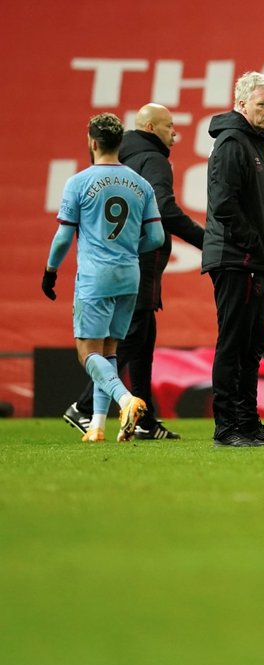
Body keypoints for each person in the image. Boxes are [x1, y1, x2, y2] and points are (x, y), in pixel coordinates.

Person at [63, 104, 205, 440]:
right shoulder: (154, 160)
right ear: (153, 128)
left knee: (142, 337)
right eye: (170, 127)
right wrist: (207, 241)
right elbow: (164, 210)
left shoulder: (116, 156)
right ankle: (84, 408)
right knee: (127, 335)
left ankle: (144, 419)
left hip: (103, 260)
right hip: (137, 260)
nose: (175, 134)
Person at [43, 113, 164, 442]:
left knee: (87, 352)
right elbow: (156, 237)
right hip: (130, 276)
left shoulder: (78, 182)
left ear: (92, 142)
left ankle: (126, 400)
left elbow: (64, 238)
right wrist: (128, 248)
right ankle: (97, 426)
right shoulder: (141, 184)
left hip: (95, 277)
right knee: (109, 350)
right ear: (120, 143)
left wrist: (50, 271)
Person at [202, 71, 264, 448]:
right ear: (241, 104)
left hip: (251, 259)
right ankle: (227, 426)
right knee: (234, 342)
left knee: (252, 344)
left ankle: (248, 422)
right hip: (236, 259)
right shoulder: (232, 143)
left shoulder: (252, 141)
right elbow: (223, 204)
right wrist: (254, 244)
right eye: (262, 104)